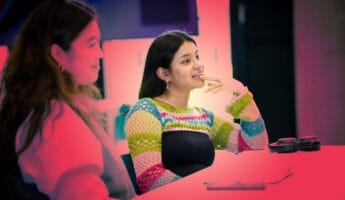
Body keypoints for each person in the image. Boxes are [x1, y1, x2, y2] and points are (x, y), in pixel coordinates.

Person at [0, 0, 135, 199]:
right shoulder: (52, 121)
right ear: (58, 54)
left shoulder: (50, 107)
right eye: (91, 44)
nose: (101, 53)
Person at [124, 30, 269, 193]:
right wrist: (202, 192)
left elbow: (255, 145)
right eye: (186, 61)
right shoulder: (145, 110)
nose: (199, 65)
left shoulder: (203, 117)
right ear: (164, 74)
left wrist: (241, 92)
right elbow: (149, 178)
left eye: (197, 57)